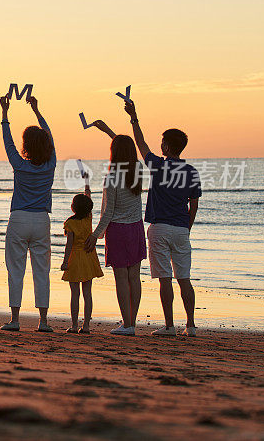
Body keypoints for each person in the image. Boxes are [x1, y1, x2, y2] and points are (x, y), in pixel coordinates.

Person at [124, 100, 201, 337]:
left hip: (159, 228)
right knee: (184, 278)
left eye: (162, 143)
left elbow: (140, 142)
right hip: (180, 229)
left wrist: (134, 117)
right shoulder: (191, 172)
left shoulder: (157, 165)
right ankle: (190, 325)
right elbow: (194, 205)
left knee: (165, 279)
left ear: (166, 146)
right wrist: (186, 227)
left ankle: (169, 326)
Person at [0, 93, 56, 332]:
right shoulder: (51, 163)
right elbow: (50, 136)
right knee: (42, 270)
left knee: (16, 269)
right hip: (42, 220)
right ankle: (43, 321)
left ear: (26, 146)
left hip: (20, 218)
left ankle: (15, 319)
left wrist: (5, 112)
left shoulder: (19, 164)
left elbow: (7, 141)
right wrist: (37, 110)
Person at [84, 124, 146, 336]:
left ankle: (127, 324)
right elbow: (128, 151)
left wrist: (94, 235)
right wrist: (110, 132)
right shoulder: (136, 170)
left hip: (118, 231)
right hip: (136, 228)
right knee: (134, 277)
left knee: (122, 278)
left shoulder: (112, 176)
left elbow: (108, 212)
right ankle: (131, 323)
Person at [61, 173, 103, 334]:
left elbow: (69, 245)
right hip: (89, 258)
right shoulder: (88, 218)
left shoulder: (70, 223)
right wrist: (86, 183)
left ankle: (73, 325)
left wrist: (65, 262)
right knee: (87, 294)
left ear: (73, 208)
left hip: (75, 259)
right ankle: (86, 326)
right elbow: (88, 198)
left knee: (75, 294)